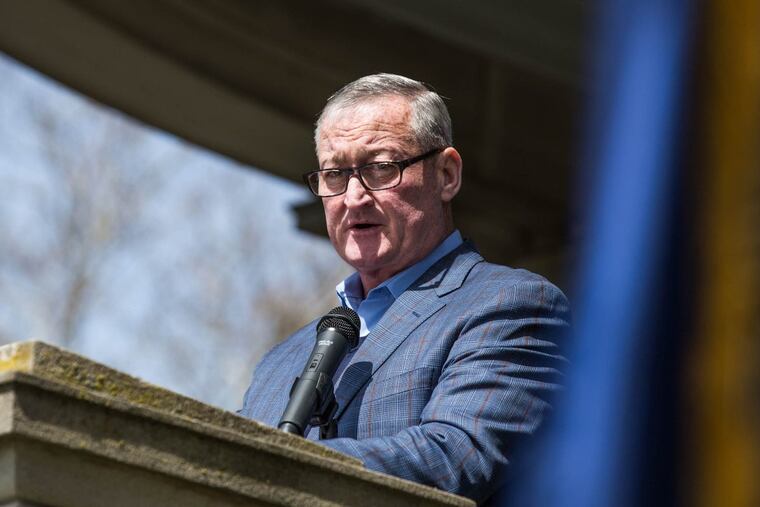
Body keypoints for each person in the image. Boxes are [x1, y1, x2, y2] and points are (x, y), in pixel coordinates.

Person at [239, 73, 570, 504]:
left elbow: (456, 456)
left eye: (380, 168)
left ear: (446, 175)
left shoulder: (512, 305)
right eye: (335, 174)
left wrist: (276, 467)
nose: (353, 197)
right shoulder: (277, 364)